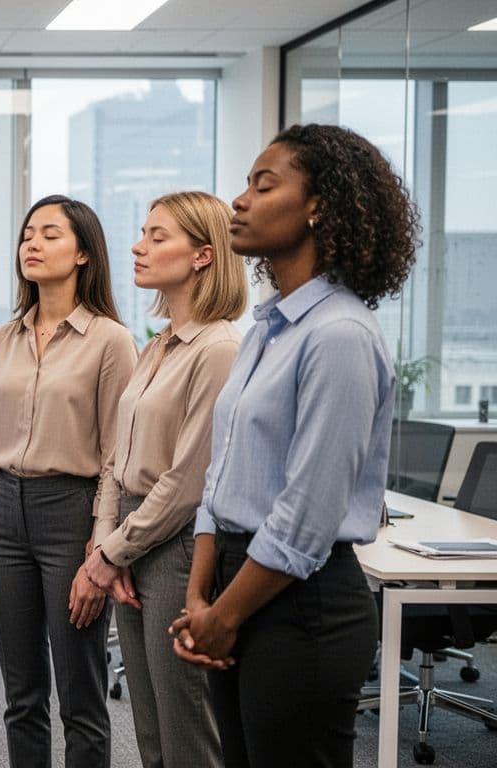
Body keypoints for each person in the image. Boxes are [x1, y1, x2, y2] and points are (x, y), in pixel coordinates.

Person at [170, 124, 419, 768]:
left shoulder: (338, 335)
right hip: (235, 585)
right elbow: (219, 482)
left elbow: (306, 516)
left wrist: (222, 614)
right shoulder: (267, 330)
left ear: (320, 208)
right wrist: (201, 599)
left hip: (300, 605)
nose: (240, 201)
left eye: (263, 184)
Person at [0, 194, 137, 767]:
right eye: (27, 234)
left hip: (73, 514)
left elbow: (117, 455)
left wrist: (101, 543)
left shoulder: (111, 340)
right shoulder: (1, 340)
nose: (31, 244)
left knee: (81, 695)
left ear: (84, 252)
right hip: (5, 515)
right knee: (22, 695)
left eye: (50, 234)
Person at [80, 191, 247, 767]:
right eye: (142, 233)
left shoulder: (218, 350)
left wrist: (113, 550)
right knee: (149, 724)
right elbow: (115, 456)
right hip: (132, 534)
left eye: (157, 236)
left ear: (203, 255)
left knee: (185, 729)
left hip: (175, 545)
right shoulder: (158, 347)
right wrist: (108, 540)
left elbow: (189, 481)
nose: (137, 246)